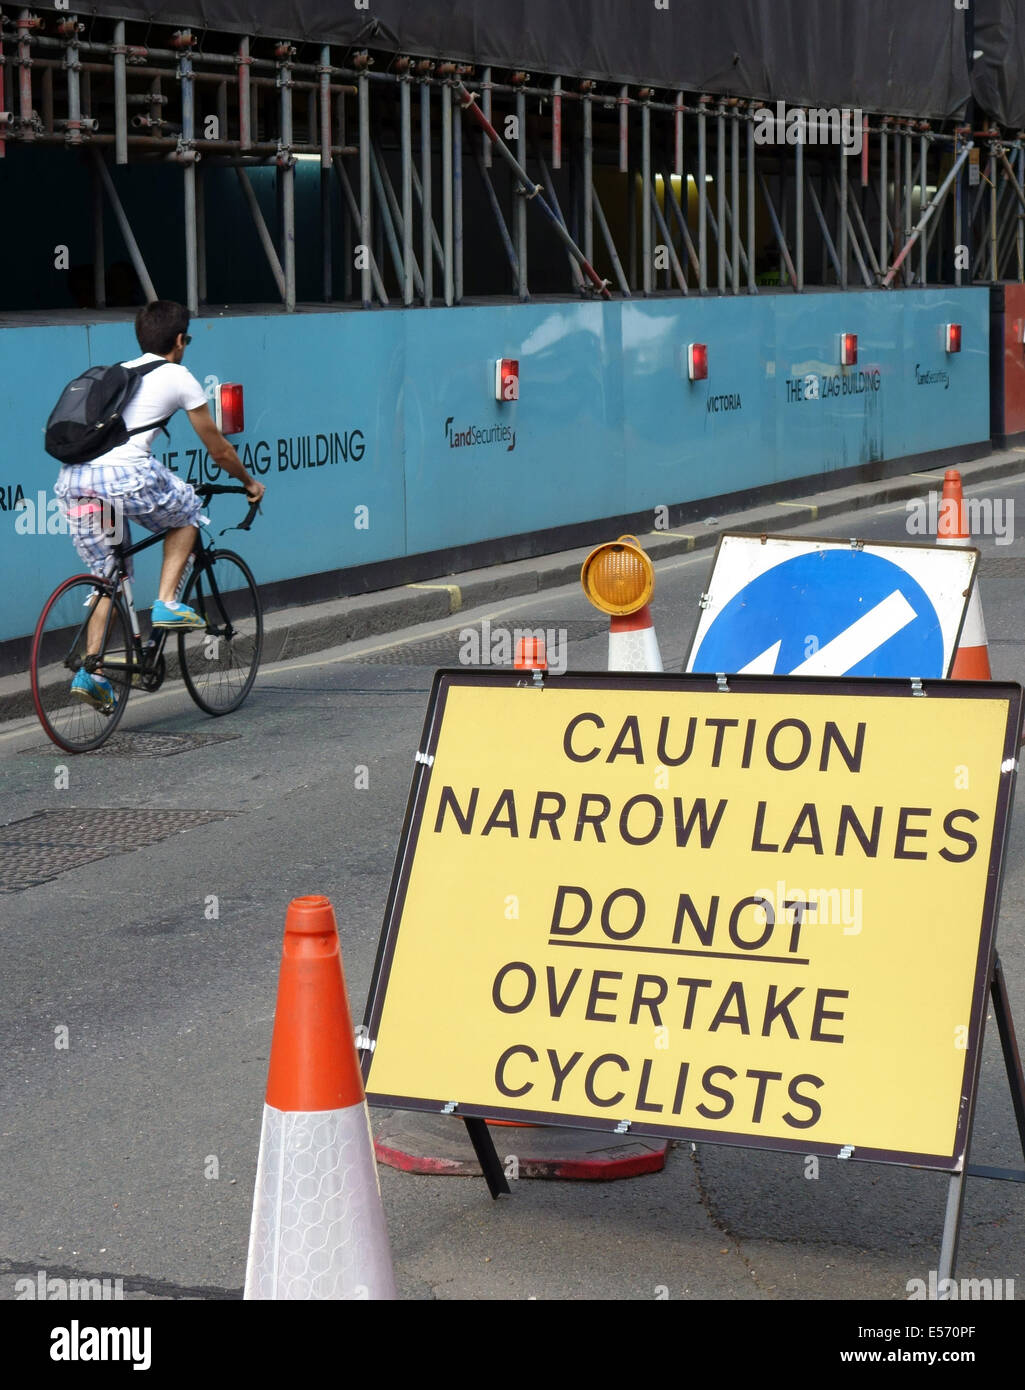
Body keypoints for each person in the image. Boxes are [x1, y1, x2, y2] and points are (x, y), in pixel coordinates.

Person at [54, 300, 266, 711]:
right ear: (180, 341)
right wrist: (249, 482)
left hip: (75, 481)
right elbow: (219, 449)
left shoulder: (122, 372)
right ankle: (168, 603)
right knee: (187, 514)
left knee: (109, 577)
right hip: (124, 477)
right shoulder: (179, 375)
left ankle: (92, 673)